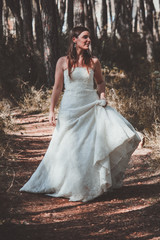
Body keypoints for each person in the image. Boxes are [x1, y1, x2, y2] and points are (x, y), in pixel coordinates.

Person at [20, 26, 140, 202]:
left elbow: (100, 82)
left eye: (89, 37)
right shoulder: (62, 61)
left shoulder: (94, 62)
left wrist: (103, 97)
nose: (88, 40)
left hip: (90, 106)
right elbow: (57, 87)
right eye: (84, 37)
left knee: (87, 149)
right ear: (74, 40)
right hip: (70, 108)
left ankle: (88, 185)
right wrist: (51, 110)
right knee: (68, 147)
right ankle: (64, 182)